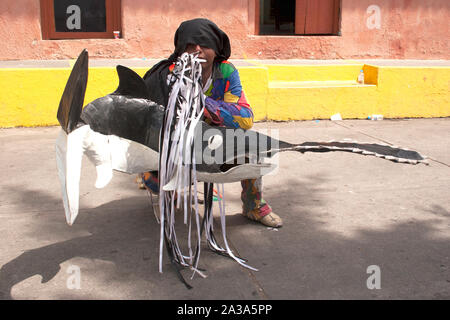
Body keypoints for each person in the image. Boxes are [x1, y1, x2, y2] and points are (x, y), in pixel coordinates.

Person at [139, 18, 282, 228]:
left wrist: (203, 102)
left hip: (212, 140)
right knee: (153, 175)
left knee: (253, 150)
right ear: (180, 50)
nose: (197, 50)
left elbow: (245, 118)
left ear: (216, 48)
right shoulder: (167, 75)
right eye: (189, 45)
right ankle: (160, 187)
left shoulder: (225, 73)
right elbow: (150, 122)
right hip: (175, 145)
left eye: (204, 44)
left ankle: (253, 205)